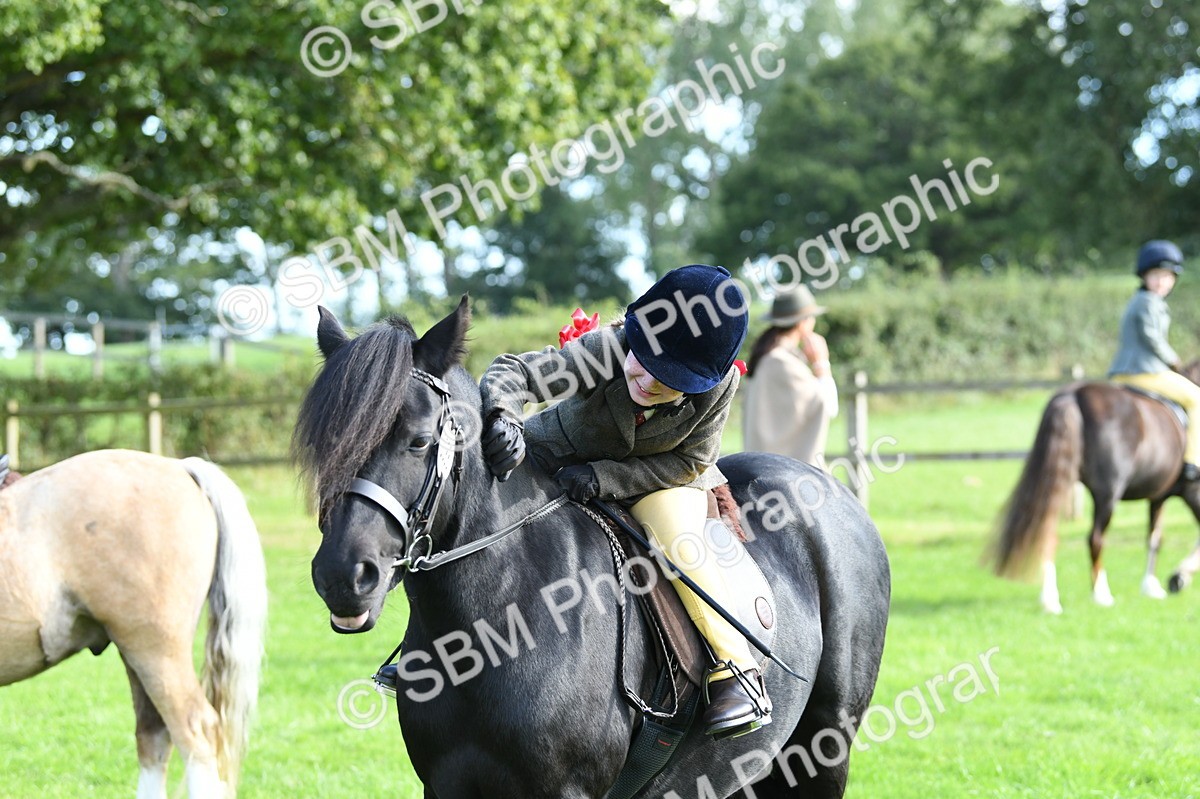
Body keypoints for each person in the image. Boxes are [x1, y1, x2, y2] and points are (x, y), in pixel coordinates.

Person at [478, 264, 770, 739]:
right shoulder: (607, 350)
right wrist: (502, 418)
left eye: (671, 377)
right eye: (645, 361)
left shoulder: (717, 385)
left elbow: (690, 462)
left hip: (661, 478)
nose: (649, 381)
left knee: (676, 537)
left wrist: (603, 478)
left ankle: (737, 671)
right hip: (558, 453)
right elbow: (516, 372)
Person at [1109, 239, 1200, 481]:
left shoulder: (1141, 300)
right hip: (1144, 371)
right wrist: (1174, 360)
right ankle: (1193, 461)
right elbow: (1153, 339)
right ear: (1144, 276)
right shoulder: (1148, 302)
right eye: (1156, 276)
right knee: (1197, 398)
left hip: (1128, 370)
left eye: (1167, 277)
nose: (1162, 282)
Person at [742, 286, 838, 467]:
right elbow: (829, 406)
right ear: (803, 322)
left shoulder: (769, 356)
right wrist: (821, 364)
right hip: (783, 473)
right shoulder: (782, 362)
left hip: (763, 469)